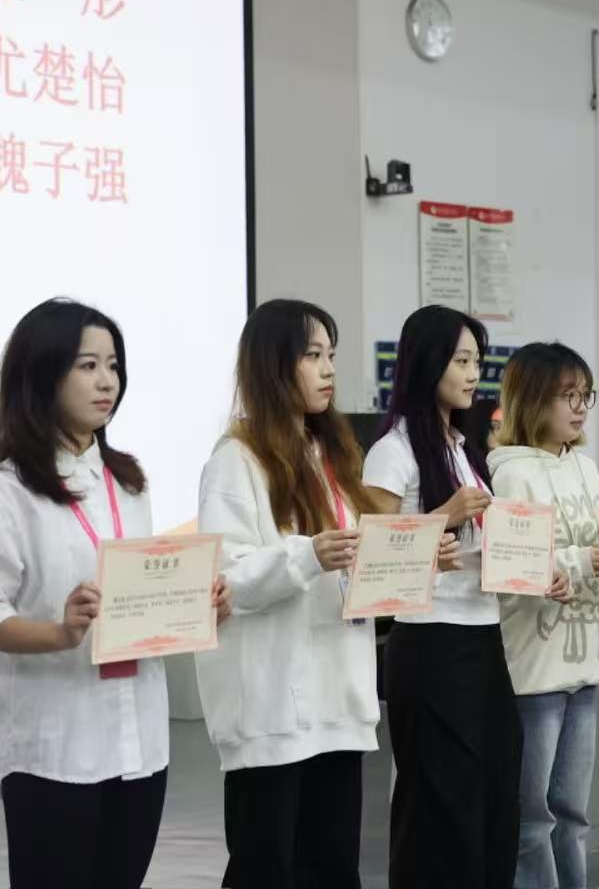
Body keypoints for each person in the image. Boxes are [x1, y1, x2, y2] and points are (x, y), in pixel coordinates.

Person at [0, 298, 228, 889]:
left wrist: (197, 602)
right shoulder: (4, 492)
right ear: (42, 375)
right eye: (88, 366)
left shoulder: (128, 481)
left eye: (113, 365)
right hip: (56, 747)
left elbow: (145, 594)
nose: (108, 381)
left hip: (140, 741)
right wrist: (61, 632)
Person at [196, 299, 416, 889]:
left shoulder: (332, 455)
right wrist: (308, 555)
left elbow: (354, 558)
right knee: (267, 868)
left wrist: (411, 561)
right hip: (272, 709)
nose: (328, 370)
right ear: (273, 366)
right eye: (313, 355)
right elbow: (225, 579)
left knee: (333, 868)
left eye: (331, 355)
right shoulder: (236, 461)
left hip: (338, 700)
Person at [362, 304, 521, 889]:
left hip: (482, 637)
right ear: (428, 362)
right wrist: (443, 517)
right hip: (429, 644)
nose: (473, 373)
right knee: (441, 805)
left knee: (494, 792)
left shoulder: (462, 446)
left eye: (478, 361)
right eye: (460, 360)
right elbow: (373, 559)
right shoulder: (393, 450)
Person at [488, 342, 599, 889]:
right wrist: (582, 560)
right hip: (534, 668)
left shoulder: (586, 466)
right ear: (532, 398)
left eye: (586, 395)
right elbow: (511, 568)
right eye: (568, 395)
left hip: (586, 661)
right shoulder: (509, 475)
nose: (580, 407)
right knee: (534, 817)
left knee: (573, 813)